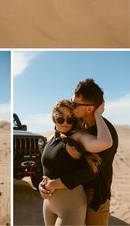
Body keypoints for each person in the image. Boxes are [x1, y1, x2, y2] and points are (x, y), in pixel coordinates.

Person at [40, 79, 118, 225]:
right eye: (71, 100)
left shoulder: (107, 132)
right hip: (73, 191)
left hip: (95, 197)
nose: (72, 105)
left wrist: (98, 115)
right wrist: (44, 184)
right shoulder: (78, 124)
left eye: (75, 103)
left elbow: (90, 170)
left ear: (89, 108)